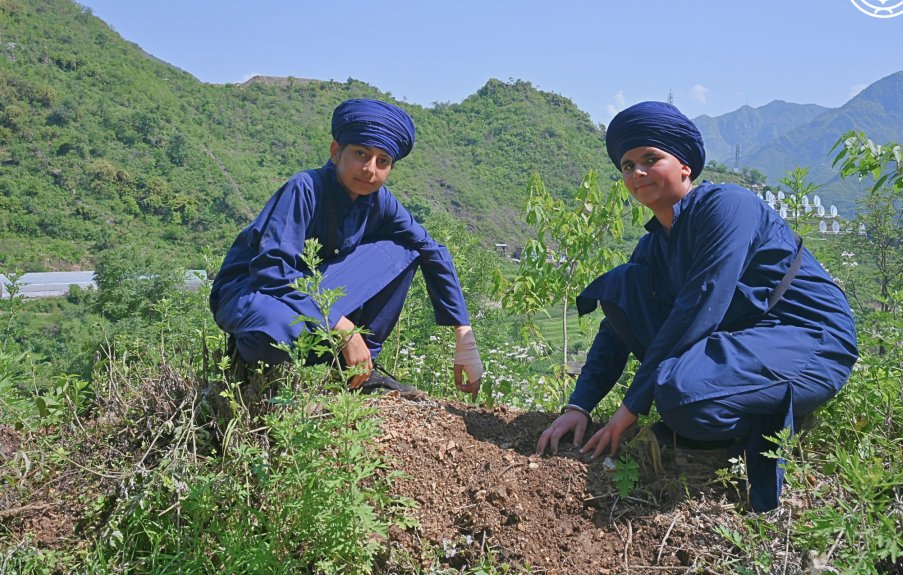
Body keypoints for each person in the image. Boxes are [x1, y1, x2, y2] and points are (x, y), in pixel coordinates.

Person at [536, 101, 857, 512]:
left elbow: (701, 302)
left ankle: (758, 419)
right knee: (624, 284)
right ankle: (726, 405)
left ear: (684, 166)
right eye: (627, 165)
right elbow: (617, 326)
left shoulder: (728, 206)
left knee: (678, 391)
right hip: (744, 338)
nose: (636, 173)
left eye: (651, 159)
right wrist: (580, 405)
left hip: (806, 336)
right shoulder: (654, 245)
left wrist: (632, 406)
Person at [210, 99, 483, 399]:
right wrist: (343, 328)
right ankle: (251, 361)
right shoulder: (305, 188)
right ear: (336, 151)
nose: (369, 169)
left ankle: (360, 368)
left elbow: (431, 249)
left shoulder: (380, 201)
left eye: (383, 161)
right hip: (255, 291)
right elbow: (271, 274)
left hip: (312, 291)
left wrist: (464, 336)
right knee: (272, 334)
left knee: (406, 247)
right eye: (361, 154)